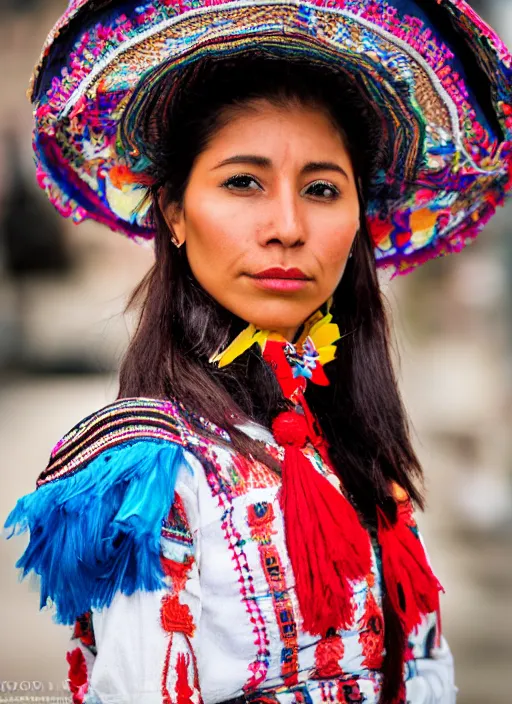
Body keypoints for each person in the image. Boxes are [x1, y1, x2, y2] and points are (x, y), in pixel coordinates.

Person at [5, 1, 512, 702]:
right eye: (242, 182)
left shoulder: (360, 447)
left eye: (322, 189)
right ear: (175, 212)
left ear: (358, 219)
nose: (287, 226)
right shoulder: (149, 472)